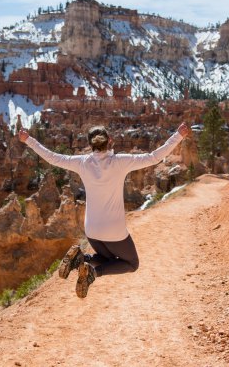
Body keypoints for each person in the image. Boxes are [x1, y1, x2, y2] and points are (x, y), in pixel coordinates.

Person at [19, 123, 188, 298]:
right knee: (131, 263)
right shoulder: (120, 162)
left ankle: (82, 259)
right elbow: (153, 157)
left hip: (92, 231)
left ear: (90, 144)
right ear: (110, 141)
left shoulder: (82, 163)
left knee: (110, 259)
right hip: (114, 231)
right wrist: (178, 135)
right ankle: (94, 273)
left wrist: (28, 140)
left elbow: (52, 158)